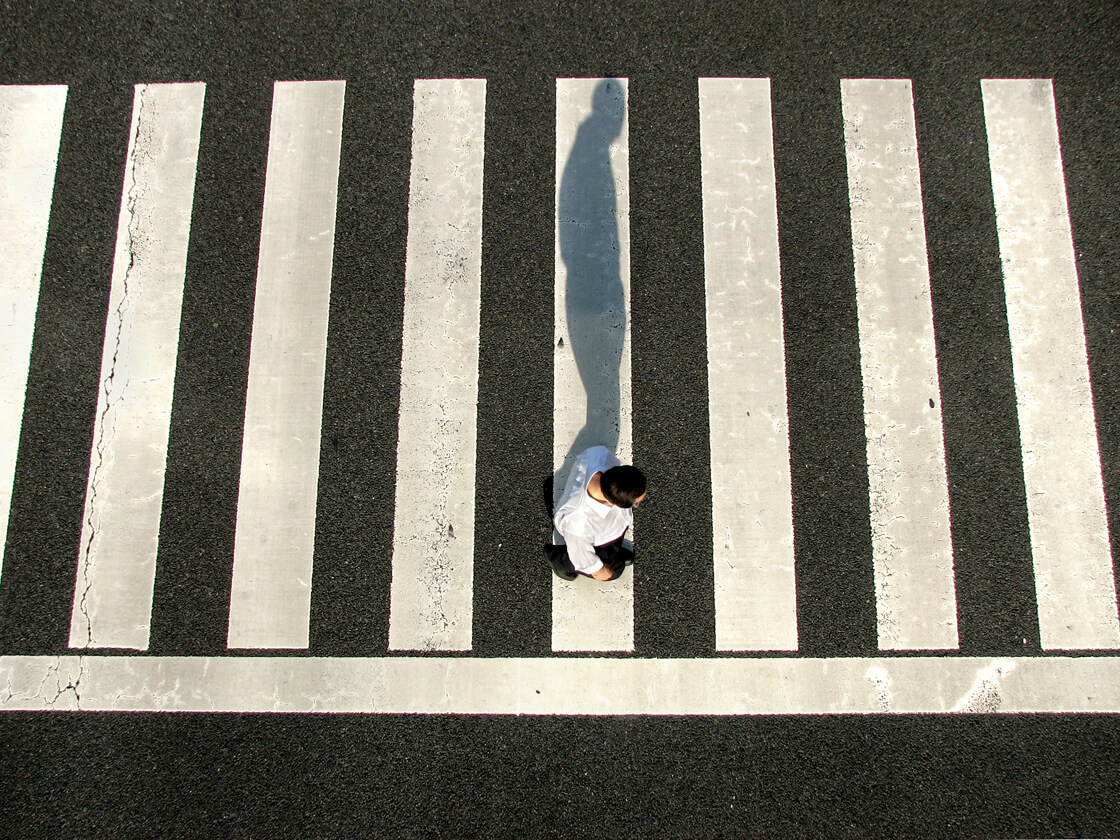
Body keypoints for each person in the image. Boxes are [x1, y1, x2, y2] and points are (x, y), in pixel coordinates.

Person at [546, 445, 647, 582]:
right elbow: (581, 555)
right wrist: (598, 569)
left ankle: (614, 551)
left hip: (609, 528)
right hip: (594, 539)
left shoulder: (599, 455)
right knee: (615, 570)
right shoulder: (577, 523)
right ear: (613, 502)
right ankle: (560, 560)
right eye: (636, 503)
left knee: (615, 549)